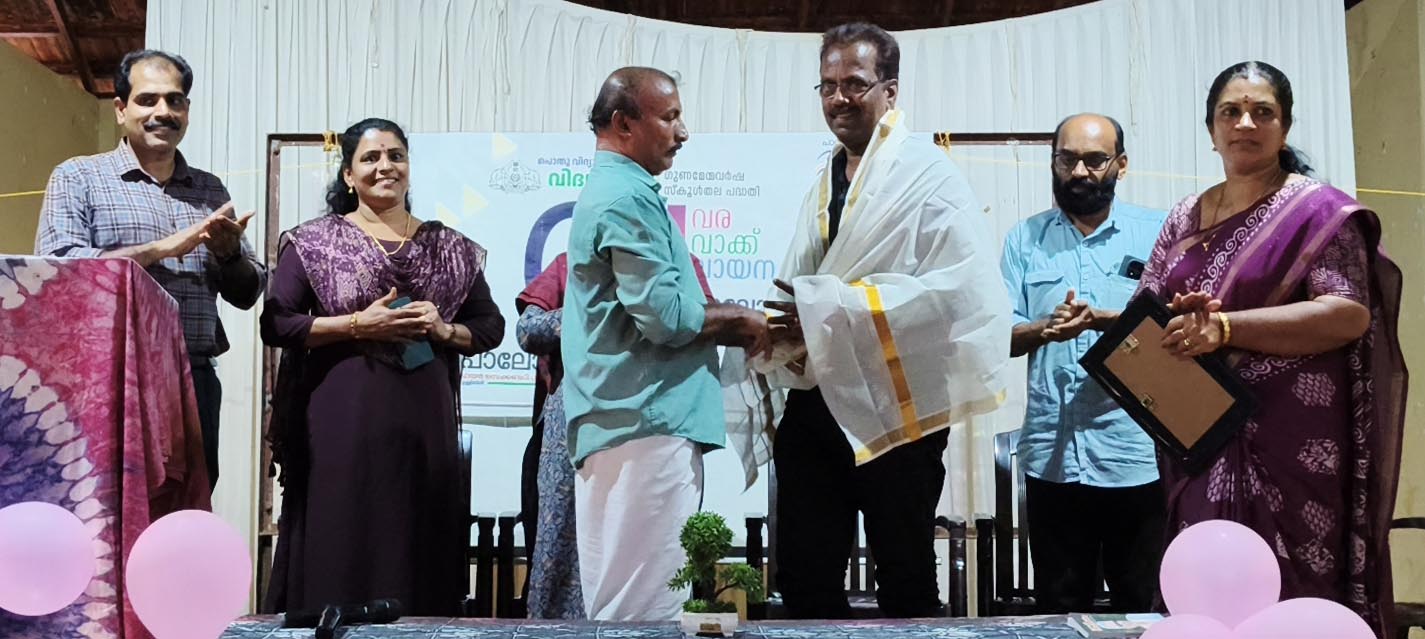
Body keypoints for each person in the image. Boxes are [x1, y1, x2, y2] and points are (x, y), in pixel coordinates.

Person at [750, 23, 1010, 619]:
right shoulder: (824, 179)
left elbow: (960, 293)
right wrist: (790, 322)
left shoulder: (928, 175)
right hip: (820, 397)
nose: (839, 98)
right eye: (828, 86)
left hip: (899, 403)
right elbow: (807, 279)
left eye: (855, 84)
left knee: (905, 577)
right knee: (805, 576)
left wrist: (827, 309)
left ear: (890, 91)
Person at [1138, 61, 1405, 637]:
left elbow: (1347, 313)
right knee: (1206, 584)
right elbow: (1149, 312)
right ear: (1211, 129)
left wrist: (1225, 327)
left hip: (1292, 441)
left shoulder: (1319, 212)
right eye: (1230, 111)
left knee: (1293, 595)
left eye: (1262, 112)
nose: (1245, 123)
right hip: (1201, 436)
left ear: (1284, 127)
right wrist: (1164, 325)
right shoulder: (1184, 216)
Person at [260, 118, 506, 616]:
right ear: (348, 175)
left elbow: (490, 327)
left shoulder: (448, 248)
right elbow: (277, 322)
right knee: (343, 535)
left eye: (396, 155)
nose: (385, 166)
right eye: (370, 158)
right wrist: (357, 325)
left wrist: (443, 330)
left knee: (418, 541)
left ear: (409, 167)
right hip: (343, 422)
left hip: (424, 424)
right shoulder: (316, 243)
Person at [562, 66, 771, 621]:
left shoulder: (615, 189)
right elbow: (665, 317)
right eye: (670, 117)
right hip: (646, 421)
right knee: (645, 611)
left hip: (629, 423)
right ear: (623, 124)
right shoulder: (625, 196)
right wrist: (743, 320)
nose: (683, 133)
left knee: (622, 604)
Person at [34, 49, 266, 493]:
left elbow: (247, 292)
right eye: (147, 100)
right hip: (105, 377)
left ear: (187, 110)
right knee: (103, 503)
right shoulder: (79, 178)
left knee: (185, 509)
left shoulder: (209, 189)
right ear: (121, 109)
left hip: (194, 378)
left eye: (175, 101)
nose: (163, 112)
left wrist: (229, 256)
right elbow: (59, 272)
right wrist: (164, 249)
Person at [1000, 113, 1167, 613]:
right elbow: (997, 337)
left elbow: (1177, 331)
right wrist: (1043, 329)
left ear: (1121, 164)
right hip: (1052, 457)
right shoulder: (1024, 239)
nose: (1079, 172)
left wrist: (1106, 321)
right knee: (1058, 608)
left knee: (1141, 607)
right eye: (1067, 159)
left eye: (1094, 160)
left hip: (1135, 456)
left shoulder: (1157, 233)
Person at [517, 252, 717, 620]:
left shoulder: (678, 263)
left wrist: (654, 314)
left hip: (655, 421)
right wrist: (601, 316)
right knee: (567, 545)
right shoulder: (573, 262)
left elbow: (704, 324)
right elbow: (528, 330)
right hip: (578, 421)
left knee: (650, 547)